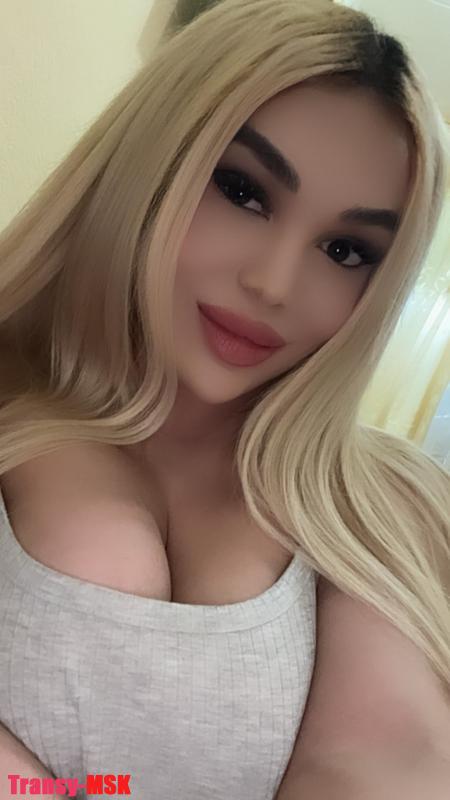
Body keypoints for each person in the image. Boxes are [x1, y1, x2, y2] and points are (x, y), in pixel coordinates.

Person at [0, 1, 449, 798]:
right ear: (150, 156)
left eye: (346, 250)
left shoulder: (386, 503)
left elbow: (389, 762)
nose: (273, 283)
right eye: (243, 191)